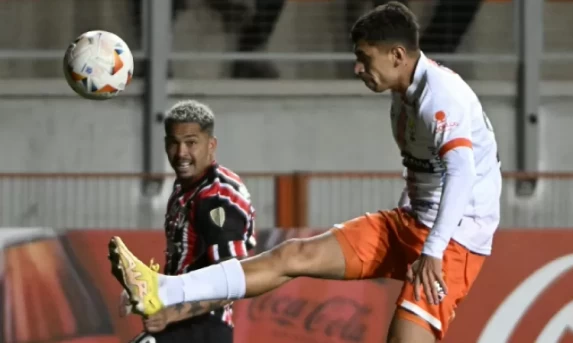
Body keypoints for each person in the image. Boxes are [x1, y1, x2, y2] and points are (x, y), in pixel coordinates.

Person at [108, 2, 501, 342]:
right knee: (295, 254)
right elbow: (424, 170)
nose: (357, 67)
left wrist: (431, 251)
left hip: (454, 242)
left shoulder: (440, 97)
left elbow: (462, 173)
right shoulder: (404, 98)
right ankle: (164, 289)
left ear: (397, 55)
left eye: (365, 57)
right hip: (413, 222)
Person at [117, 100, 256, 343]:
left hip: (204, 329)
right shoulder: (186, 187)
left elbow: (232, 280)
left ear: (211, 145)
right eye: (174, 143)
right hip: (181, 326)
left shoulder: (217, 197)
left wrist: (169, 314)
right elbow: (186, 266)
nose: (181, 153)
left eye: (191, 143)